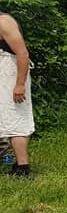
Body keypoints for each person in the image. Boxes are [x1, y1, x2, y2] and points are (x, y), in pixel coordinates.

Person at [0, 12, 34, 177]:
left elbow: (23, 54)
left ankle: (23, 167)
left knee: (15, 118)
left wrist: (19, 85)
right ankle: (9, 161)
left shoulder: (4, 22)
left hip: (11, 75)